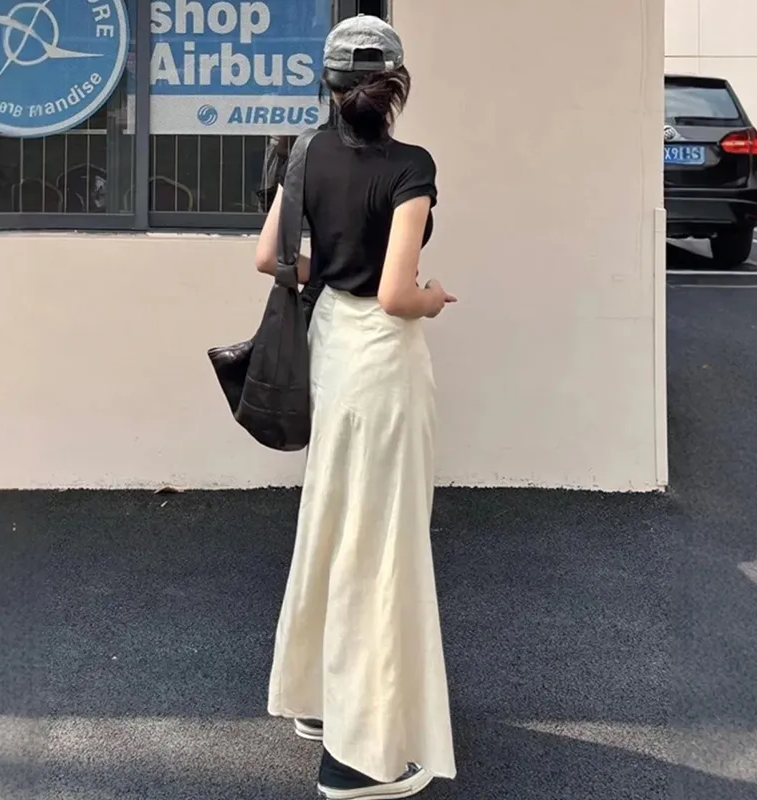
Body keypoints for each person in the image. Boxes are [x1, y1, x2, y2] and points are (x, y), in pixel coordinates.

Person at [254, 14, 457, 800]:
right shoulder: (412, 166)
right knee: (383, 540)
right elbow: (399, 293)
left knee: (334, 518)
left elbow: (269, 257)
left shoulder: (307, 153)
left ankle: (317, 699)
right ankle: (360, 758)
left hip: (333, 347)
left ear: (329, 85)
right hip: (382, 358)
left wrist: (333, 267)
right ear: (396, 85)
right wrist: (433, 297)